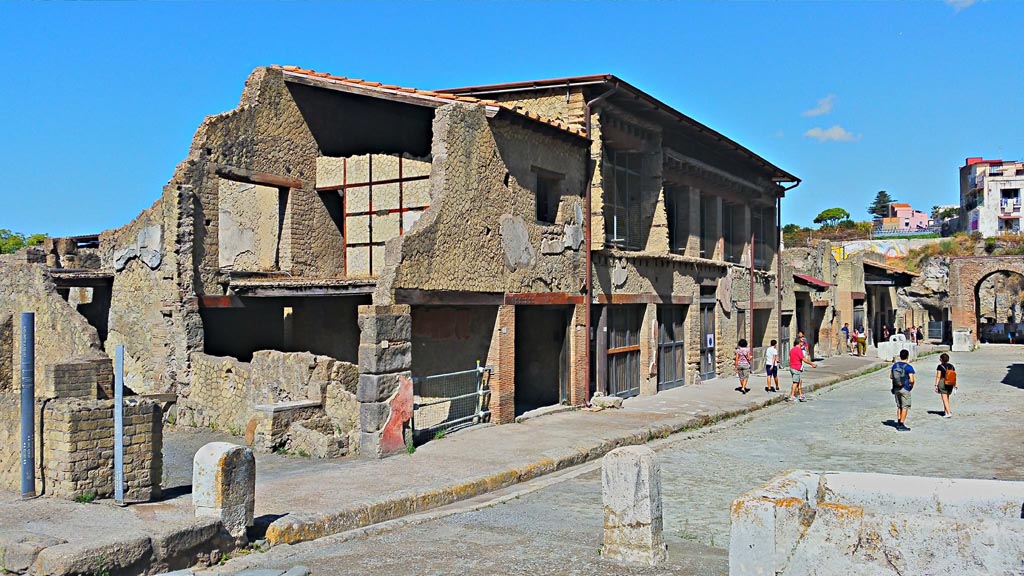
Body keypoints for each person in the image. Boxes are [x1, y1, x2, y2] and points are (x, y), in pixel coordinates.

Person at [890, 349, 916, 431]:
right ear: (907, 356)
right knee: (905, 406)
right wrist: (911, 387)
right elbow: (912, 380)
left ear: (900, 356)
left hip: (896, 388)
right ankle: (901, 424)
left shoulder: (895, 365)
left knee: (899, 406)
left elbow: (891, 376)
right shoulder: (909, 367)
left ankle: (898, 421)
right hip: (905, 388)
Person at [787, 337, 816, 402]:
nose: (803, 343)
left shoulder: (792, 349)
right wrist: (812, 364)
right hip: (796, 367)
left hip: (792, 367)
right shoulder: (798, 350)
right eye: (802, 342)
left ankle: (801, 395)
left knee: (799, 381)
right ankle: (792, 396)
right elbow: (804, 359)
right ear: (799, 342)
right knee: (795, 382)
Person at [934, 352, 957, 418]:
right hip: (950, 383)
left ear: (941, 359)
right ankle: (946, 411)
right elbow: (954, 376)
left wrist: (936, 385)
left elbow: (938, 376)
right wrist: (955, 384)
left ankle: (948, 413)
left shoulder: (940, 366)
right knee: (947, 398)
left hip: (943, 382)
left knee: (944, 399)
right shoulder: (951, 366)